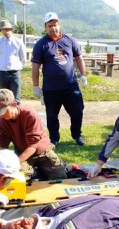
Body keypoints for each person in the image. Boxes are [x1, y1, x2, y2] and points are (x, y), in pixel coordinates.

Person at [31, 12, 88, 146]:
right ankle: (54, 139)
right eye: (50, 25)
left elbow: (79, 57)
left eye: (55, 25)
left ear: (59, 24)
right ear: (45, 27)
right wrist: (36, 86)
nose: (53, 28)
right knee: (51, 116)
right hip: (51, 88)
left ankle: (77, 135)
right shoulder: (41, 44)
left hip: (71, 86)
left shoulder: (70, 40)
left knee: (77, 111)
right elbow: (35, 66)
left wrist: (83, 75)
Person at [0, 88, 67, 181]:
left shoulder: (29, 114)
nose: (2, 115)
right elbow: (3, 147)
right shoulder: (2, 122)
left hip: (43, 152)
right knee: (16, 179)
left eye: (4, 110)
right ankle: (35, 172)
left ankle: (39, 170)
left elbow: (32, 146)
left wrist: (15, 163)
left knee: (60, 176)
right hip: (22, 152)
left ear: (14, 105)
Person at [0, 20, 27, 104]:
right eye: (4, 29)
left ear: (11, 29)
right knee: (4, 98)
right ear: (1, 30)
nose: (6, 31)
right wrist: (2, 65)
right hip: (3, 73)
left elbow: (23, 58)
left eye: (8, 29)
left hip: (14, 73)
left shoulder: (18, 42)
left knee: (16, 99)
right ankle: (6, 116)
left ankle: (17, 116)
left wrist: (17, 67)